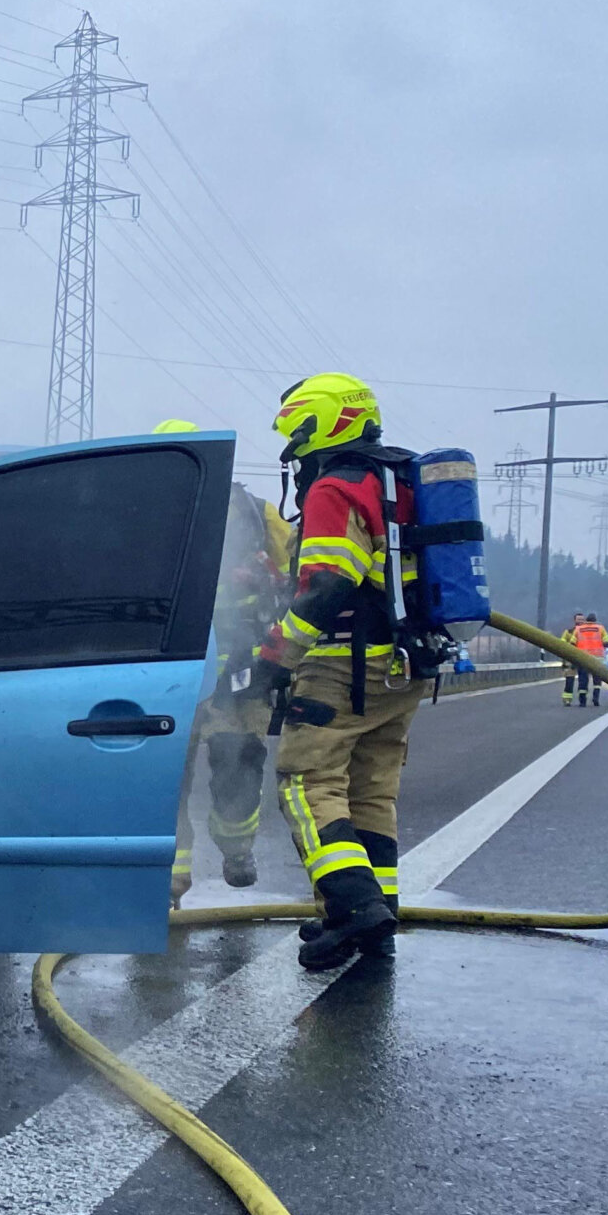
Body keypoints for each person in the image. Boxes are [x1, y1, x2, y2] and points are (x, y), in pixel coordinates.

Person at [247, 373, 421, 971]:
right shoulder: (397, 481)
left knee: (305, 783)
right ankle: (380, 922)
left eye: (297, 433)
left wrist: (273, 658)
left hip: (341, 666)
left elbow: (327, 586)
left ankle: (353, 910)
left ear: (323, 424)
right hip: (402, 667)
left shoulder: (334, 488)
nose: (294, 450)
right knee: (371, 792)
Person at [155, 419, 293, 899]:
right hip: (191, 671)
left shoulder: (256, 515)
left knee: (230, 766)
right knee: (173, 775)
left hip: (229, 670)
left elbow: (298, 569)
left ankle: (231, 854)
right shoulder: (158, 516)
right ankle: (175, 874)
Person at [562, 611, 608, 706]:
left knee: (583, 680)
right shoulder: (600, 628)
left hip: (582, 658)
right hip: (597, 658)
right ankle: (595, 698)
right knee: (597, 680)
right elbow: (607, 642)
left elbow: (572, 643)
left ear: (586, 620)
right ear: (595, 620)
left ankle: (582, 701)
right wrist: (601, 646)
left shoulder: (579, 629)